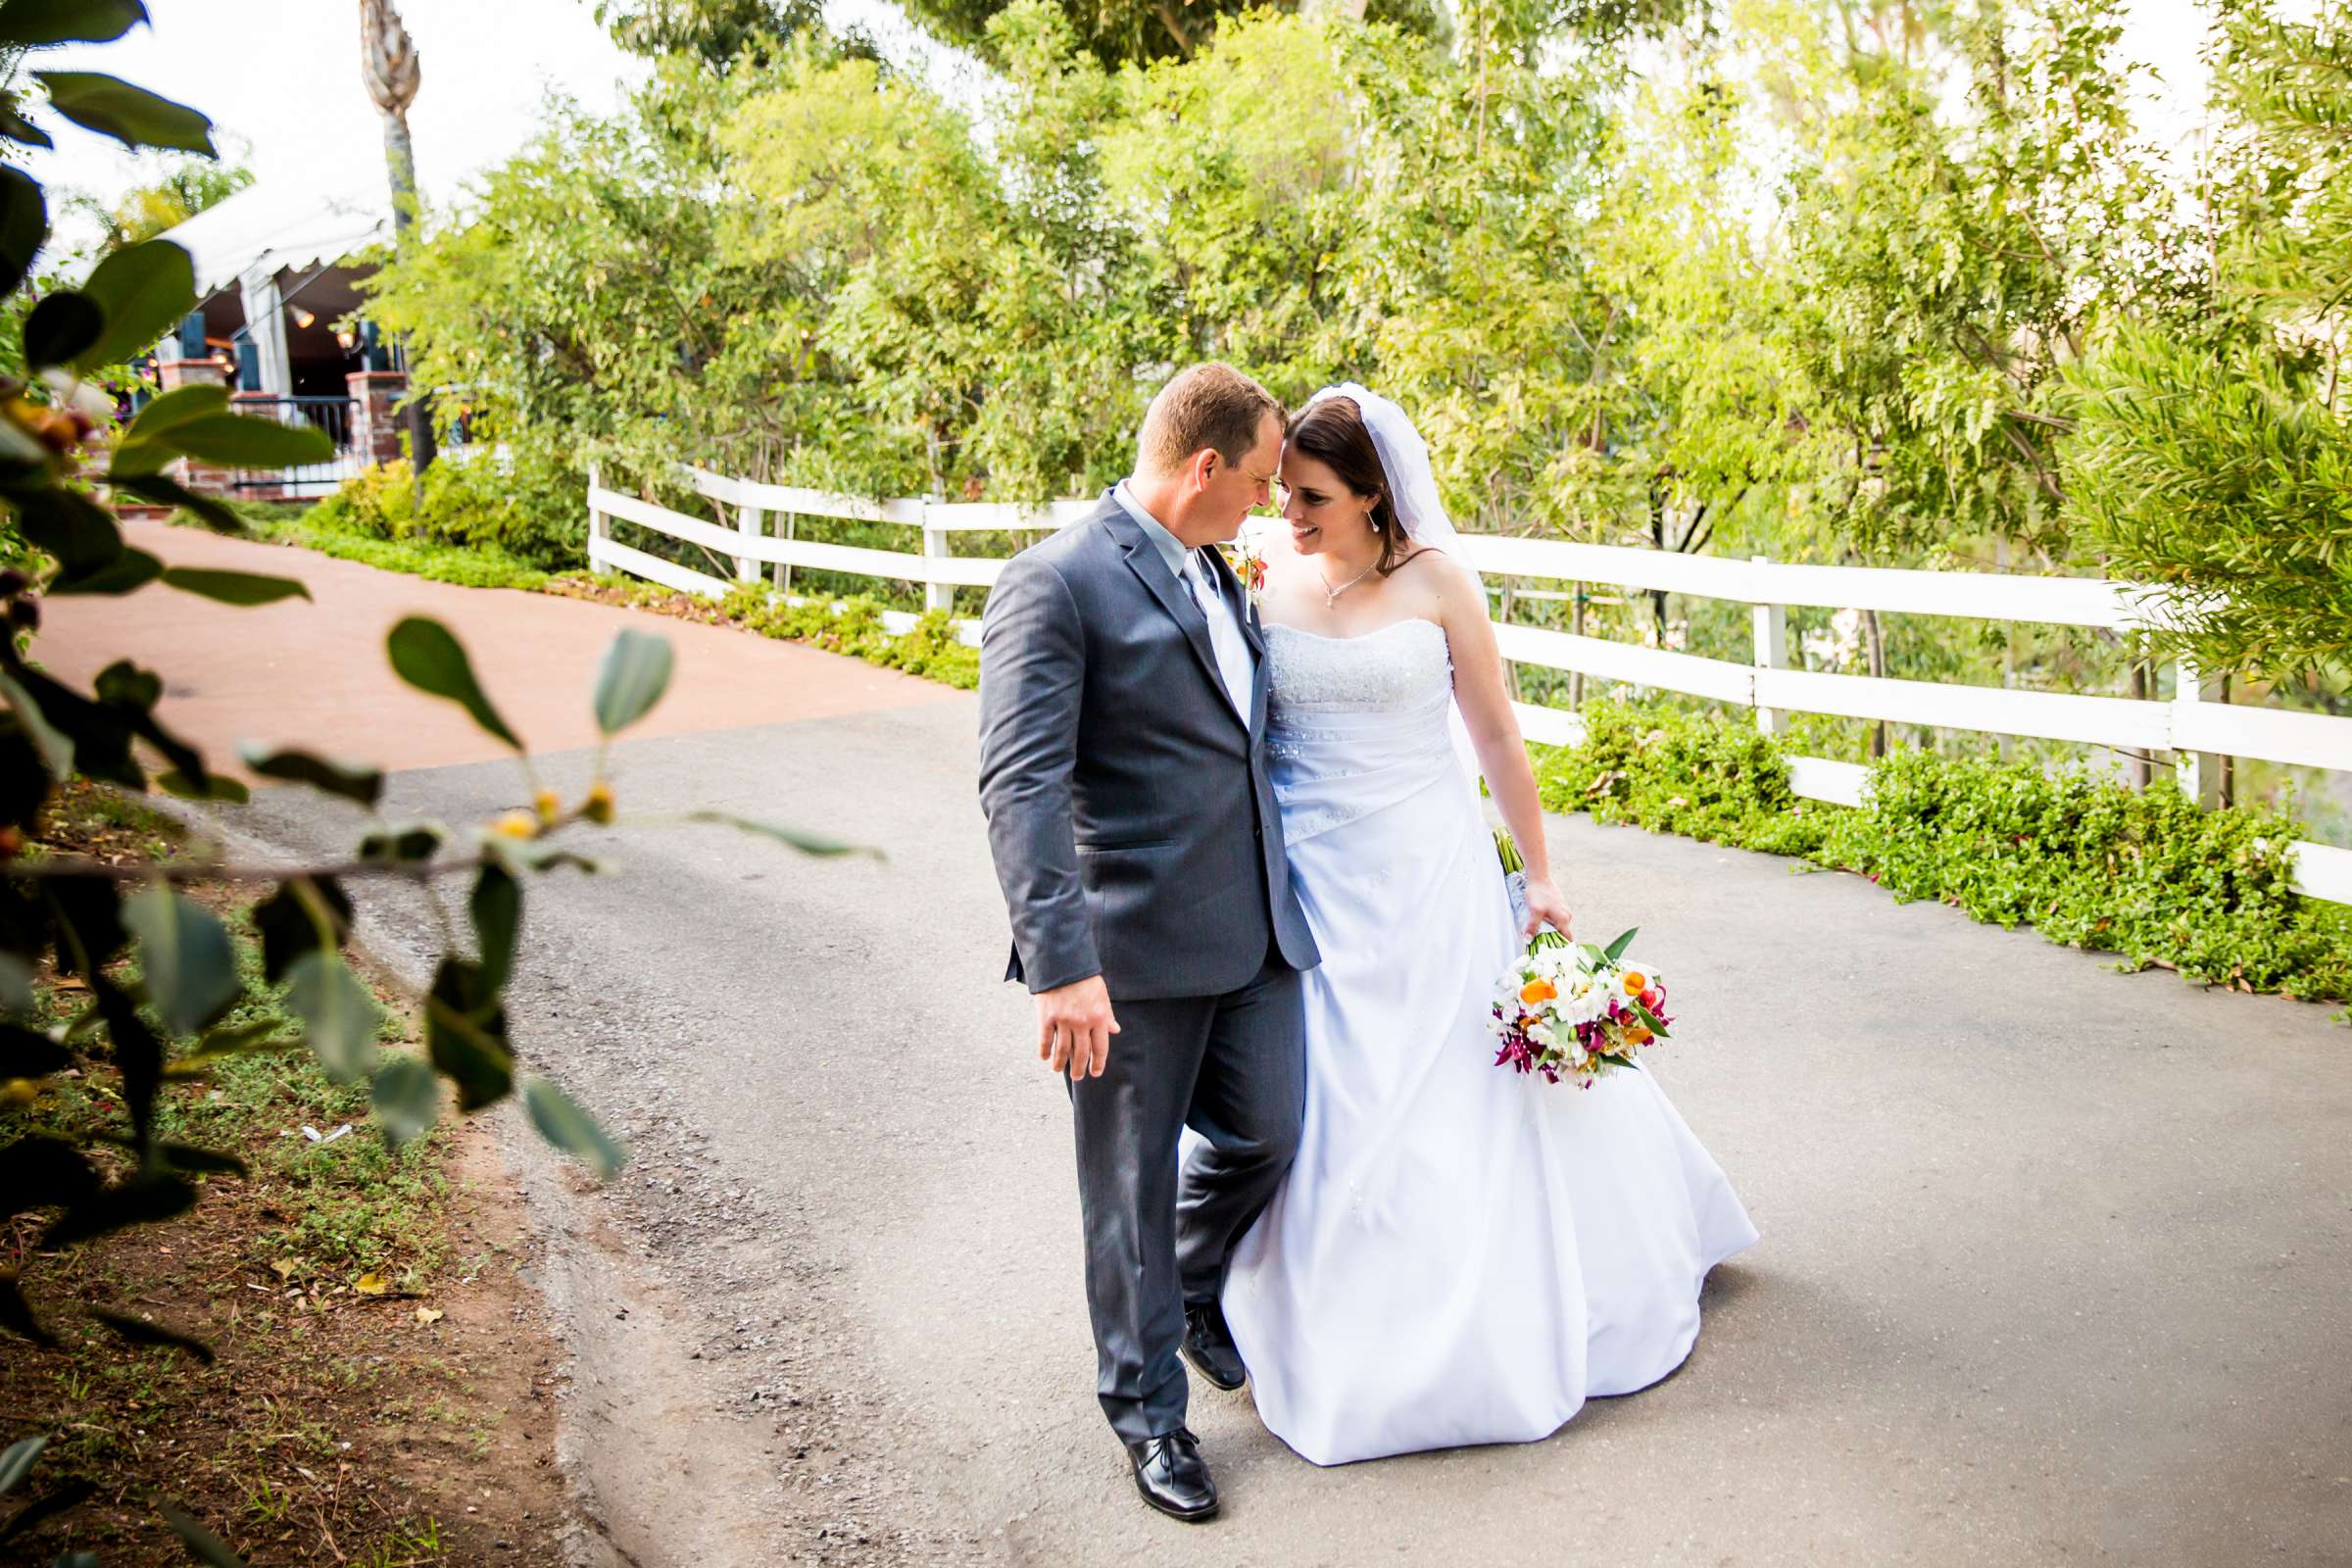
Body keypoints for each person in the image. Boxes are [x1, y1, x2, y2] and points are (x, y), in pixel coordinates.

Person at [1215, 384, 1758, 1466]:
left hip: (1429, 876)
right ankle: (1322, 1319)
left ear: (1374, 494)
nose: (1292, 514)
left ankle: (1476, 1320)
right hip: (1314, 886)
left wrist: (1543, 877)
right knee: (1334, 1100)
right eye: (1284, 493)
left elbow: (1498, 738)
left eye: (1315, 497)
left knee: (1452, 1088)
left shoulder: (1437, 583)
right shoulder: (1266, 579)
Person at [976, 363, 1319, 1522]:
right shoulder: (1057, 583)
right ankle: (1149, 1416)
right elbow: (1019, 785)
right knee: (1127, 1188)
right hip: (1125, 958)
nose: (1272, 505)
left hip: (1255, 933)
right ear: (1205, 466)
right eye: (1263, 481)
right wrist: (1062, 964)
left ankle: (1189, 1285)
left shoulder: (1219, 573)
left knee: (1272, 1133)